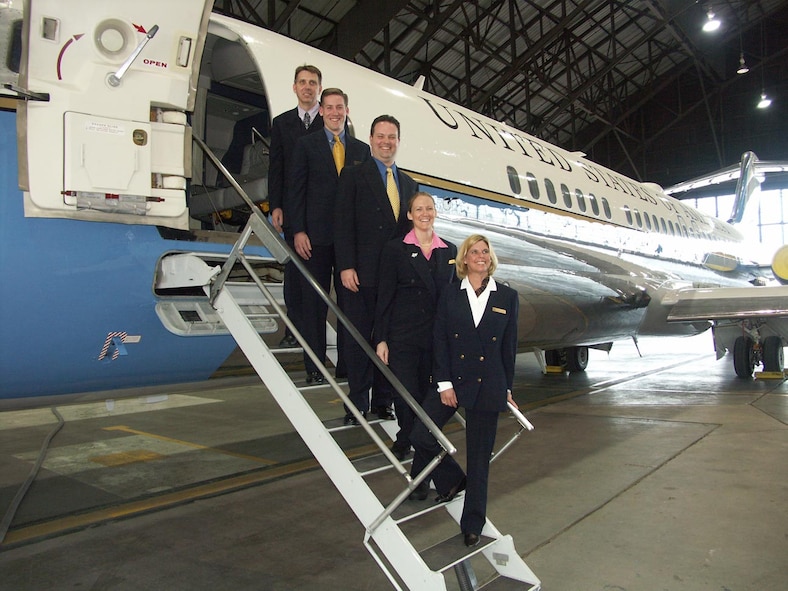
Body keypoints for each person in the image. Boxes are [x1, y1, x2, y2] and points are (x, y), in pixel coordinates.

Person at [408, 234, 519, 549]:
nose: (481, 256)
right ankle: (452, 477)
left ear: (490, 258)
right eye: (474, 252)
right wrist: (444, 383)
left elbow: (508, 349)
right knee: (421, 434)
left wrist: (507, 387)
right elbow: (440, 339)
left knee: (480, 462)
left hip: (489, 383)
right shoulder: (450, 294)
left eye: (485, 252)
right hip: (452, 380)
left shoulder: (508, 297)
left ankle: (473, 524)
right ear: (465, 259)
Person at [334, 115, 414, 425]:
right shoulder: (353, 176)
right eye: (380, 136)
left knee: (389, 340)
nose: (386, 142)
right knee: (358, 340)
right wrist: (345, 266)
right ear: (370, 139)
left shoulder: (408, 184)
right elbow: (342, 224)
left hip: (393, 279)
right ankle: (356, 404)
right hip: (361, 276)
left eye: (391, 137)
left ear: (398, 141)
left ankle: (383, 400)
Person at [286, 88, 370, 384]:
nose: (335, 112)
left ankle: (348, 366)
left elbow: (365, 199)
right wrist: (298, 230)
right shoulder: (305, 146)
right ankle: (315, 367)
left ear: (347, 110)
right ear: (320, 111)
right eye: (330, 107)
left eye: (340, 107)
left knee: (350, 306)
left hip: (349, 243)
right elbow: (295, 192)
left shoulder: (362, 151)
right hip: (315, 239)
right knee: (314, 305)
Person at [374, 192, 457, 459]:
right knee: (406, 395)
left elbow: (453, 298)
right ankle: (410, 438)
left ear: (435, 212)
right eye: (419, 209)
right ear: (409, 215)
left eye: (429, 208)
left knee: (426, 396)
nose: (425, 213)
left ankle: (409, 441)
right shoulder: (395, 249)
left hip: (435, 338)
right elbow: (385, 295)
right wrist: (381, 338)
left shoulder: (450, 251)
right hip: (403, 337)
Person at [268, 65, 324, 348]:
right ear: (294, 87)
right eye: (302, 82)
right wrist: (275, 204)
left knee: (317, 279)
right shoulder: (282, 123)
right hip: (292, 211)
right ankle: (295, 329)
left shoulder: (330, 124)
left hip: (322, 215)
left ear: (319, 88)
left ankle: (313, 335)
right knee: (294, 277)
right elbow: (275, 168)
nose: (307, 87)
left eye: (312, 83)